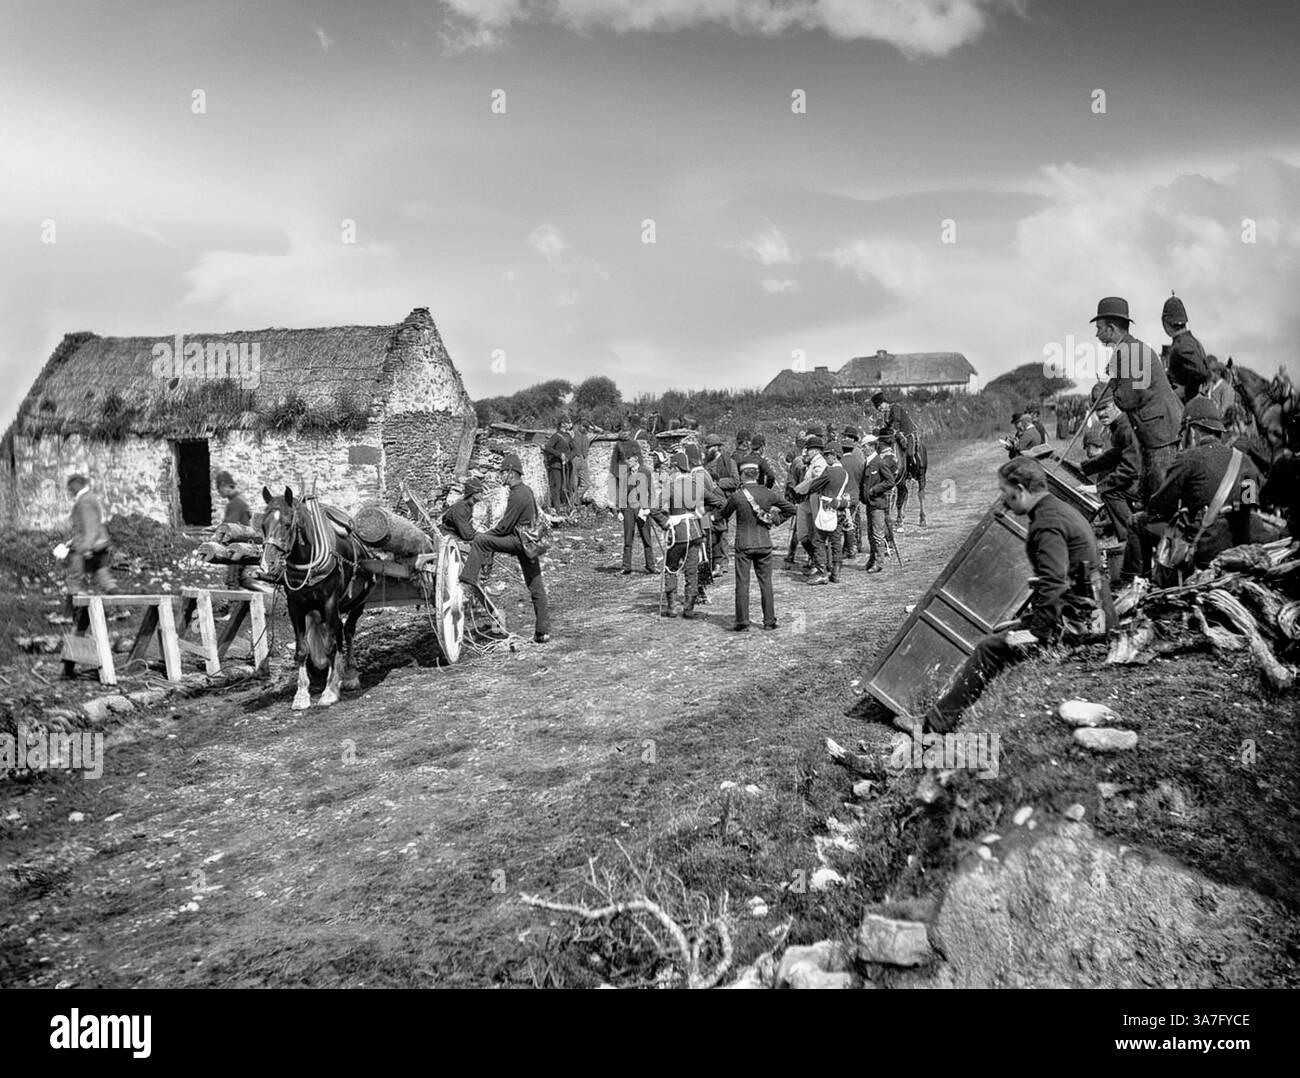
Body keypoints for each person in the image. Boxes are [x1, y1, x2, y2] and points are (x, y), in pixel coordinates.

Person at [926, 458, 1112, 733]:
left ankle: (935, 724)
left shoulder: (1046, 524)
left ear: (1021, 490)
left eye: (1005, 491)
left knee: (988, 648)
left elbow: (1054, 582)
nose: (1003, 499)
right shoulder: (1060, 509)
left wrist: (1037, 632)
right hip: (1093, 610)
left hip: (1083, 623)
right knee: (1003, 631)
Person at [1119, 398, 1263, 585]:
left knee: (1136, 522)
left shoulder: (1189, 458)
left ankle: (1134, 583)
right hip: (1238, 549)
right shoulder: (1245, 461)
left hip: (1202, 549)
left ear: (1192, 431)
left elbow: (1157, 506)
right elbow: (1249, 507)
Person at [1090, 296, 1183, 509]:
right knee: (1154, 494)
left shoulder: (1130, 352)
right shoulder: (1128, 349)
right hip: (1158, 430)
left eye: (1099, 328)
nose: (1096, 334)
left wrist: (1114, 378)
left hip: (1161, 433)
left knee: (1161, 497)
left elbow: (1127, 399)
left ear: (1111, 329)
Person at [459, 453, 551, 643]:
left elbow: (504, 528)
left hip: (519, 542)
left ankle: (468, 581)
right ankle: (542, 632)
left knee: (481, 541)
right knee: (536, 586)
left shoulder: (517, 494)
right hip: (530, 544)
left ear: (511, 473)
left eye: (502, 472)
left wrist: (485, 535)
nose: (500, 476)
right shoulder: (527, 490)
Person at [720, 459, 796, 631]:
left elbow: (723, 514)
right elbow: (791, 509)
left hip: (744, 544)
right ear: (757, 474)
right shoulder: (767, 493)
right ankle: (769, 621)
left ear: (742, 475)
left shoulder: (737, 496)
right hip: (764, 543)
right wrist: (775, 519)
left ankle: (742, 622)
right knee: (766, 583)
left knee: (742, 583)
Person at [651, 451, 724, 619]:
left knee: (670, 568)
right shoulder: (695, 486)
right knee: (692, 570)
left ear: (676, 468)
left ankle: (672, 607)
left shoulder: (671, 486)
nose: (670, 471)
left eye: (671, 468)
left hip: (677, 534)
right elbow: (718, 502)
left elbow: (654, 509)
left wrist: (665, 523)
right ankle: (689, 609)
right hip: (695, 532)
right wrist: (702, 513)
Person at [1079, 384, 1141, 544]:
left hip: (1146, 482)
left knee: (1110, 492)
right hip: (1139, 478)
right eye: (1097, 409)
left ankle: (1131, 539)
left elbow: (1131, 468)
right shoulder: (1120, 424)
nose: (1100, 414)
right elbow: (1115, 454)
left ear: (1117, 404)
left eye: (1105, 407)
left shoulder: (1126, 427)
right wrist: (1085, 467)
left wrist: (1099, 487)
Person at [61, 474, 118, 613]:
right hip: (99, 544)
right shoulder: (89, 498)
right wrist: (72, 542)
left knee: (74, 579)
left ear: (77, 484)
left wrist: (86, 548)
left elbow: (90, 527)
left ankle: (68, 616)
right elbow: (89, 526)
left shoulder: (85, 501)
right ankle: (122, 609)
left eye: (70, 487)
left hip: (89, 546)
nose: (69, 490)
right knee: (103, 577)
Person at [800, 440, 849, 584]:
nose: (825, 457)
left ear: (834, 455)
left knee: (818, 539)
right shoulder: (844, 473)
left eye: (827, 455)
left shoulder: (829, 471)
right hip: (839, 509)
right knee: (836, 541)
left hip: (826, 508)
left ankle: (822, 573)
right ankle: (836, 573)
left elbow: (814, 485)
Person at [442, 478, 502, 595]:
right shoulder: (460, 508)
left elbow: (467, 530)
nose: (482, 495)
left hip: (458, 534)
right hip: (449, 536)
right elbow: (467, 534)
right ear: (473, 494)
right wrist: (482, 536)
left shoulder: (468, 505)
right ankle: (482, 580)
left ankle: (483, 578)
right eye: (480, 492)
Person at [1160, 294, 1209, 404]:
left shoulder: (1182, 345)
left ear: (1166, 323)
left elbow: (1201, 373)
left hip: (1186, 406)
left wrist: (1184, 392)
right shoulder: (1190, 341)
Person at [793, 434, 830, 579]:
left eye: (808, 449)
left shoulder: (819, 463)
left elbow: (818, 481)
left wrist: (802, 487)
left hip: (814, 500)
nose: (806, 452)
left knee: (815, 534)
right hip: (807, 501)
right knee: (803, 534)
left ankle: (819, 564)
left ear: (815, 450)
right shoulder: (811, 462)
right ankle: (816, 561)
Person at [859, 435, 896, 573]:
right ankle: (872, 560)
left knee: (877, 534)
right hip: (870, 503)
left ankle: (879, 562)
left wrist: (874, 490)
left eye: (864, 446)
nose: (862, 449)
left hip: (878, 503)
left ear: (871, 446)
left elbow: (890, 481)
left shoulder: (879, 462)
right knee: (870, 534)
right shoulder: (868, 462)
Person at [704, 433, 739, 578]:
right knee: (711, 533)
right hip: (709, 502)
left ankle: (723, 563)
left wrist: (717, 483)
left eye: (709, 447)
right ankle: (714, 562)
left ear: (717, 447)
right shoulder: (705, 464)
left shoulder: (729, 462)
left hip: (725, 501)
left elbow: (735, 481)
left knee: (723, 533)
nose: (707, 450)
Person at [215, 470, 255, 592]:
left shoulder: (235, 503)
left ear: (225, 486)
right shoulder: (240, 501)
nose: (219, 492)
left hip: (238, 547)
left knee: (232, 581)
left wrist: (216, 536)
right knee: (242, 581)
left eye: (219, 489)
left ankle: (234, 604)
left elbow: (228, 526)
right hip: (245, 545)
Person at [618, 452, 656, 575]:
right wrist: (620, 510)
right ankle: (626, 567)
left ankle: (651, 566)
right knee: (628, 539)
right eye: (626, 459)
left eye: (629, 458)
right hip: (629, 510)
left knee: (646, 538)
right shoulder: (625, 475)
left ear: (636, 459)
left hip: (642, 509)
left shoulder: (645, 472)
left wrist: (647, 508)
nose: (627, 461)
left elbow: (651, 491)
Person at [840, 427, 865, 558]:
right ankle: (852, 546)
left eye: (848, 436)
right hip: (855, 493)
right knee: (852, 520)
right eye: (845, 436)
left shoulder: (858, 454)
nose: (846, 438)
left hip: (847, 494)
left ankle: (852, 546)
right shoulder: (857, 458)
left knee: (849, 521)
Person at [542, 419, 573, 514]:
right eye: (567, 423)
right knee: (557, 488)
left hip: (566, 465)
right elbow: (547, 448)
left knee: (567, 487)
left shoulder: (568, 436)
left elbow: (575, 449)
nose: (570, 424)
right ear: (562, 424)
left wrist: (568, 458)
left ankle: (568, 507)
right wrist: (560, 455)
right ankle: (557, 508)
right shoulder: (556, 436)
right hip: (556, 465)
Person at [567, 419, 591, 506]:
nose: (585, 429)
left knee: (586, 484)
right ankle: (574, 504)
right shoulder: (572, 433)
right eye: (583, 426)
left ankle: (572, 501)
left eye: (586, 427)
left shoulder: (588, 436)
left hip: (584, 459)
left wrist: (595, 428)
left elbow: (601, 433)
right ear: (579, 425)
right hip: (574, 459)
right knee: (574, 483)